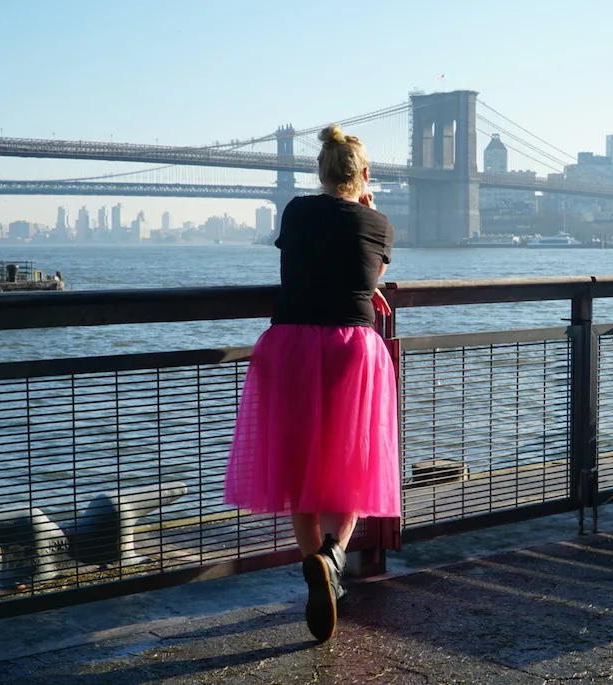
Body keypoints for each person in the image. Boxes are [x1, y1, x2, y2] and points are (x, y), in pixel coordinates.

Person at [223, 124, 399, 643]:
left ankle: (313, 570)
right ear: (364, 175)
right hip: (351, 348)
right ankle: (333, 560)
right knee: (354, 467)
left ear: (319, 173)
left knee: (299, 467)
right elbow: (365, 269)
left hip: (292, 344)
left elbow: (313, 260)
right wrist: (366, 209)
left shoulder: (296, 212)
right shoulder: (380, 223)